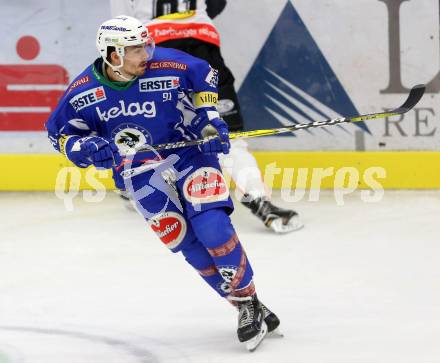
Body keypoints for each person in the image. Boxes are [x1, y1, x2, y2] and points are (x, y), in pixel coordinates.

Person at [46, 15, 280, 350]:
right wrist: (83, 148)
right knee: (185, 240)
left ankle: (248, 300)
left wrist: (210, 121)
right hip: (137, 173)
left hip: (191, 155)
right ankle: (247, 305)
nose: (146, 53)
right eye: (135, 49)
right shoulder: (84, 91)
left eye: (146, 44)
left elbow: (205, 74)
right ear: (113, 54)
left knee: (212, 227)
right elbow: (60, 134)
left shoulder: (168, 64)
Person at [109, 0, 304, 234]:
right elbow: (216, 4)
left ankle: (140, 188)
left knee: (154, 131)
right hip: (203, 51)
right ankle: (260, 201)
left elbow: (117, 31)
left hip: (156, 56)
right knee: (228, 137)